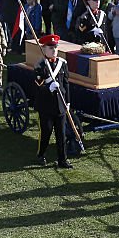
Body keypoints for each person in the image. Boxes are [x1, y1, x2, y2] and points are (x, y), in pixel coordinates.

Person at [33, 34, 72, 169]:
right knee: (46, 132)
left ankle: (63, 159)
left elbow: (66, 84)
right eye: (50, 48)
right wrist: (48, 87)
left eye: (55, 47)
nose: (53, 50)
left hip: (60, 104)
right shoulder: (40, 65)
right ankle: (41, 154)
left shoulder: (62, 63)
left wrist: (67, 102)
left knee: (61, 134)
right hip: (46, 105)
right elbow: (38, 85)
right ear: (44, 49)